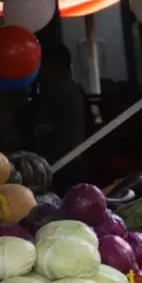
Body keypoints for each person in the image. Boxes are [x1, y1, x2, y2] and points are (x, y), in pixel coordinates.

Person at [33, 41, 88, 192]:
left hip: (62, 164)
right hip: (73, 161)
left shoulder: (56, 92)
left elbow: (42, 129)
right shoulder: (73, 88)